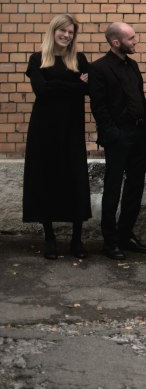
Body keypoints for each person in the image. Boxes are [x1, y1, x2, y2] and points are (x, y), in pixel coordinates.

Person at [23, 14, 91, 259]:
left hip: (72, 129)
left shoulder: (80, 60)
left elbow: (89, 89)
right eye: (63, 31)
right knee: (46, 180)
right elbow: (41, 90)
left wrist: (58, 86)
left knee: (75, 180)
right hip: (44, 130)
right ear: (53, 32)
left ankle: (76, 240)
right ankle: (49, 238)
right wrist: (75, 86)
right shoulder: (38, 59)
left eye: (71, 32)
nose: (67, 35)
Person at [89, 22, 146, 260]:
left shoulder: (133, 65)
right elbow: (99, 107)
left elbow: (139, 98)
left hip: (139, 136)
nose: (135, 41)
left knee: (135, 187)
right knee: (113, 188)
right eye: (131, 38)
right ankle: (110, 241)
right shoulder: (99, 68)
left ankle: (126, 234)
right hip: (118, 138)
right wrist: (113, 134)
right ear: (116, 42)